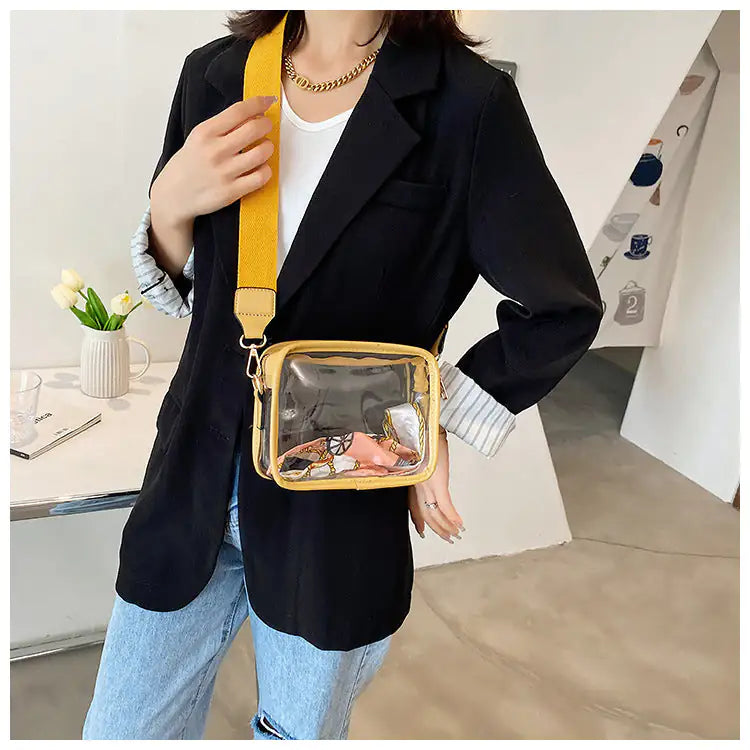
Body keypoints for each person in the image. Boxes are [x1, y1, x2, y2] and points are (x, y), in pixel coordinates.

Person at [83, 10, 603, 740]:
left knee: (297, 734)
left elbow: (561, 307)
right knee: (121, 731)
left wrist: (425, 414)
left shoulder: (468, 102)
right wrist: (167, 208)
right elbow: (200, 295)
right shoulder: (217, 73)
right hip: (194, 469)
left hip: (337, 498)